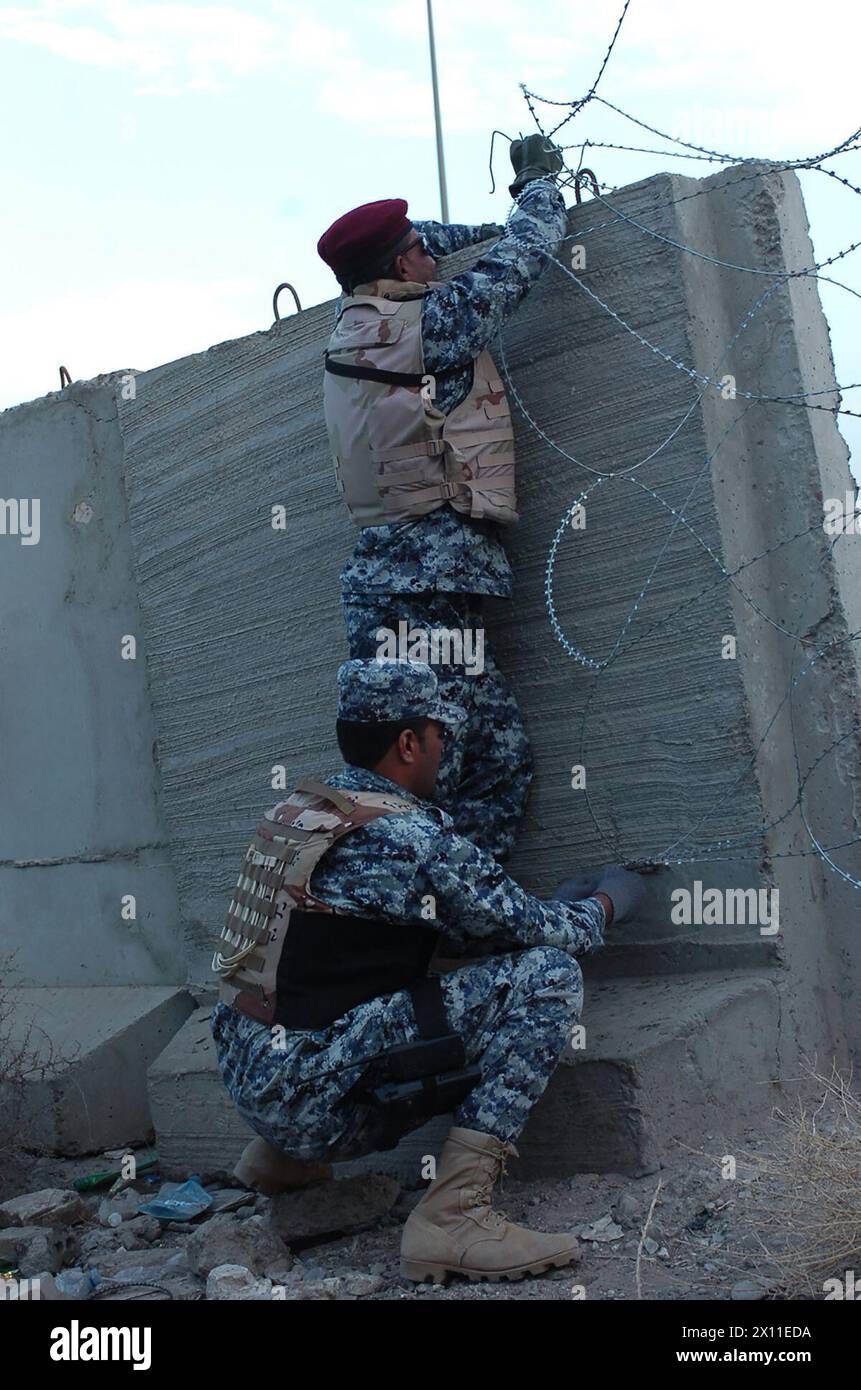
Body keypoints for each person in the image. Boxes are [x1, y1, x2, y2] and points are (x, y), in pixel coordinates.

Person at [211, 657, 645, 1285]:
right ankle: (454, 1219)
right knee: (548, 975)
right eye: (441, 735)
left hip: (254, 1082)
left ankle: (281, 1162)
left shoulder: (304, 810)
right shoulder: (410, 838)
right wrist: (608, 901)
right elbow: (545, 931)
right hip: (309, 1099)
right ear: (409, 743)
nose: (448, 749)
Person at [315, 135, 568, 860]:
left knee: (495, 758)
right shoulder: (430, 325)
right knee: (432, 769)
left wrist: (480, 224)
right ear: (400, 267)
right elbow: (522, 262)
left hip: (419, 581)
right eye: (420, 252)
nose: (434, 256)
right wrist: (536, 192)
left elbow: (428, 241)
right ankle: (404, 920)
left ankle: (464, 915)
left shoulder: (362, 318)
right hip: (419, 588)